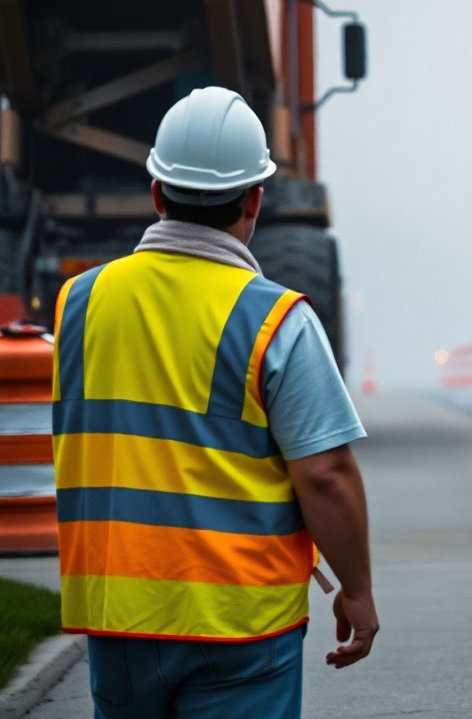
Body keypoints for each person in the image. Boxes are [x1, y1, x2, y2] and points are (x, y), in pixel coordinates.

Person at [51, 86, 378, 718]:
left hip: (117, 618)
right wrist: (357, 591)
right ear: (255, 198)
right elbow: (325, 474)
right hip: (239, 621)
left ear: (155, 192)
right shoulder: (277, 319)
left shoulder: (79, 304)